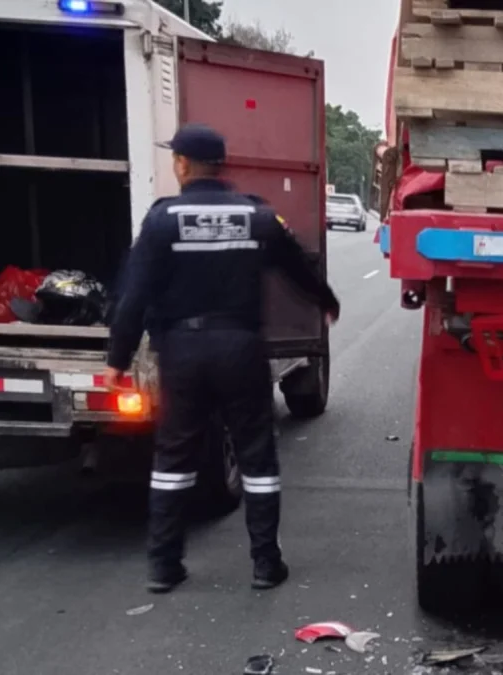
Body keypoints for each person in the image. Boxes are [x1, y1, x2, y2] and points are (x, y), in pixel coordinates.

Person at [105, 123, 341, 594]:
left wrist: (118, 357)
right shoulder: (255, 216)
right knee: (256, 455)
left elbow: (133, 296)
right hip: (240, 348)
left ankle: (164, 565)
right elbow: (297, 265)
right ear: (220, 165)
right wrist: (325, 300)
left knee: (174, 456)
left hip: (182, 352)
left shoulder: (162, 220)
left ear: (183, 164)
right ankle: (265, 563)